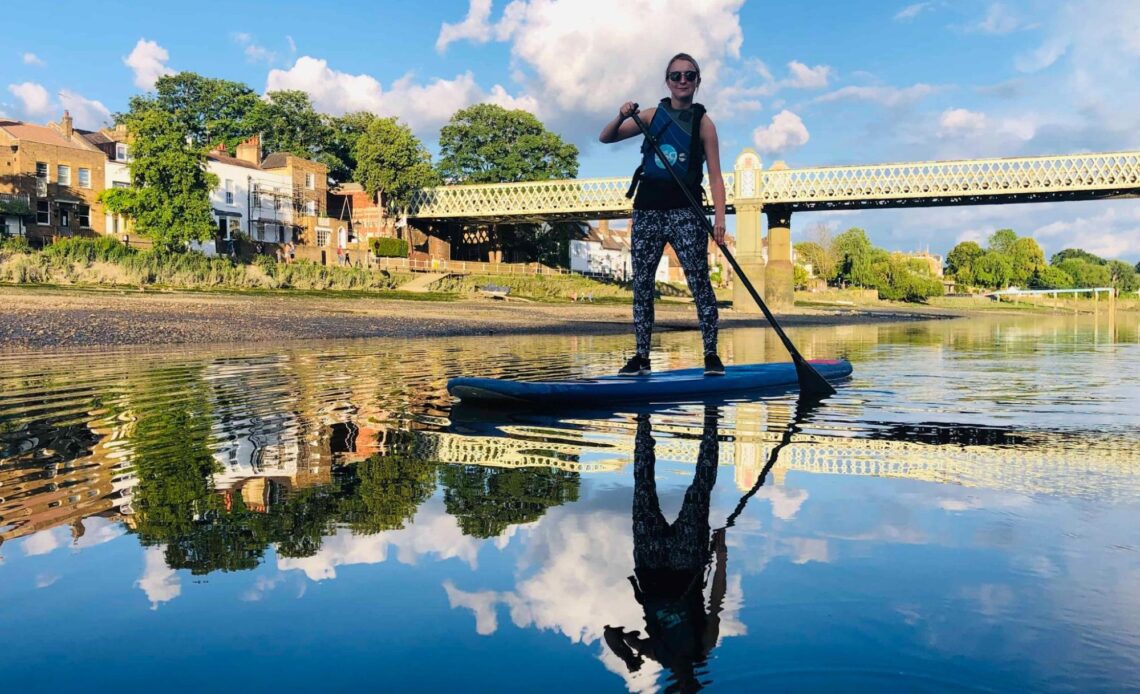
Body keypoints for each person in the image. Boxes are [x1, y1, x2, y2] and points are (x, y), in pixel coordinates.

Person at [600, 52, 726, 377]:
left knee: (699, 281)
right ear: (667, 81)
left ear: (698, 81)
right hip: (647, 210)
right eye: (676, 75)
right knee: (642, 284)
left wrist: (720, 221)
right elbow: (606, 137)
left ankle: (711, 355)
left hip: (687, 211)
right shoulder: (652, 115)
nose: (682, 80)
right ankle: (641, 357)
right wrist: (621, 114)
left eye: (689, 75)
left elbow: (715, 177)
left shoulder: (705, 124)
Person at [604, 408, 727, 691]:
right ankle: (711, 420)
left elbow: (610, 633)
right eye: (691, 687)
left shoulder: (657, 653)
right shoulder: (703, 647)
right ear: (695, 681)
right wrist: (721, 557)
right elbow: (716, 600)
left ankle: (643, 419)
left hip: (650, 560)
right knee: (700, 489)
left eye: (679, 688)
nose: (686, 682)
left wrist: (626, 657)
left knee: (642, 485)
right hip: (687, 562)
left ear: (672, 686)